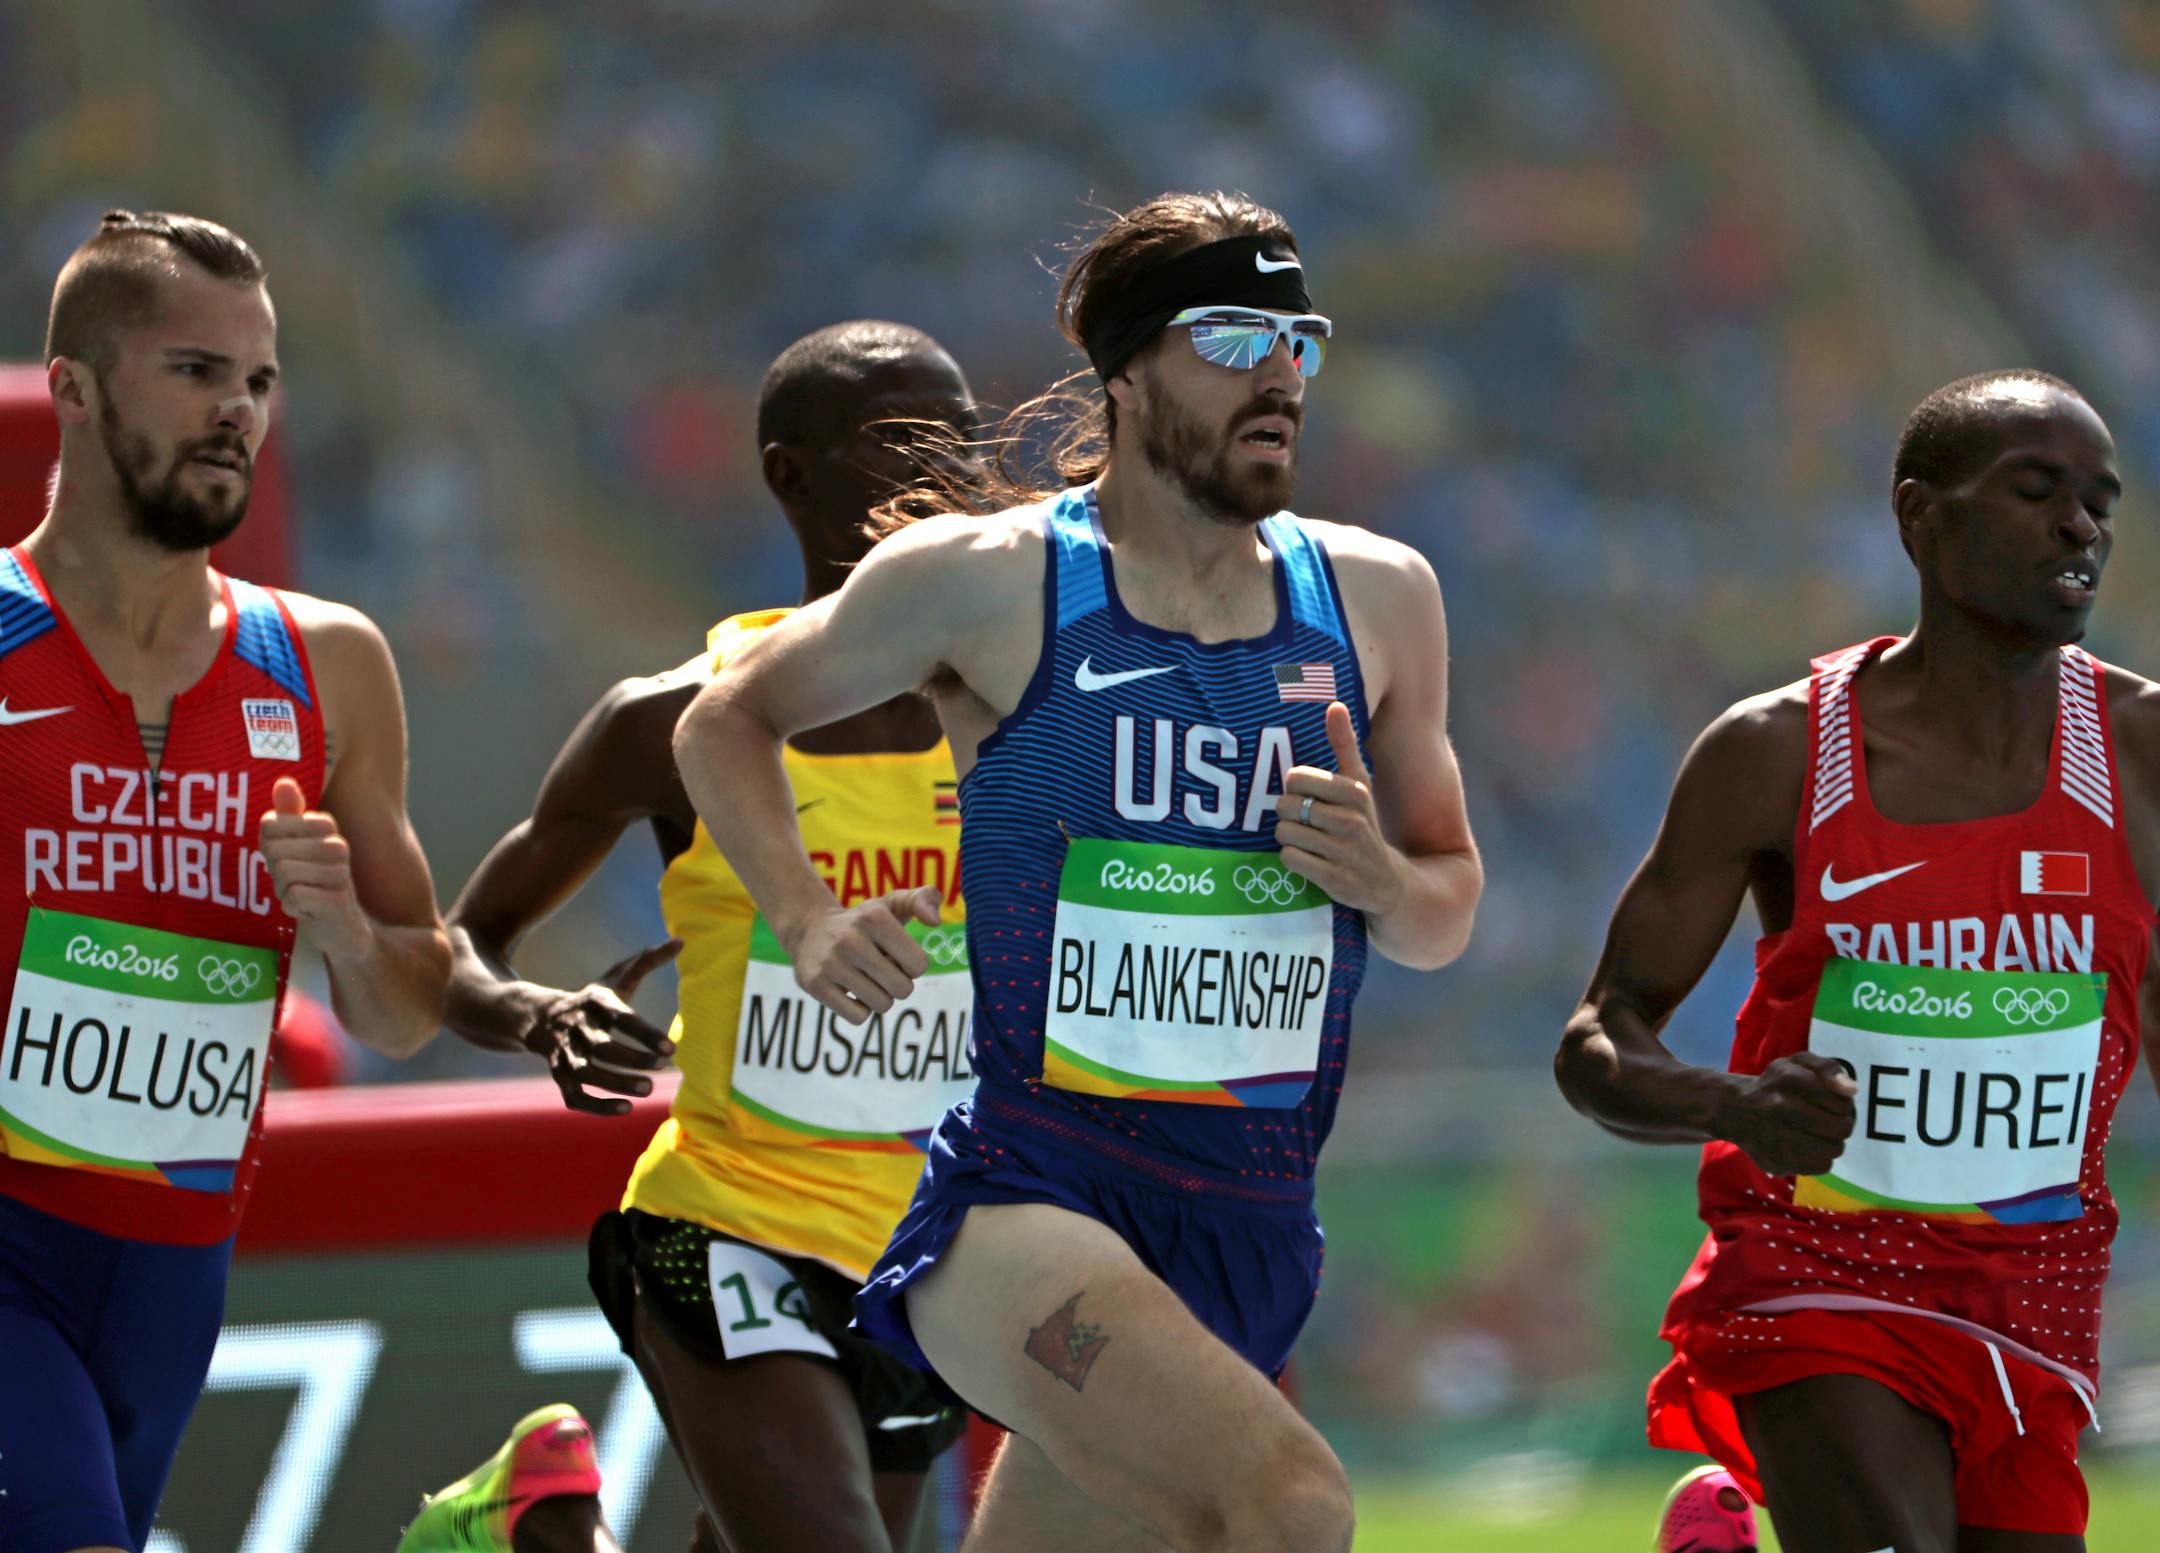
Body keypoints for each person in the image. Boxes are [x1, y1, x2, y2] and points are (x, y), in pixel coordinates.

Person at [673, 191, 1482, 1553]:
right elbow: (724, 716)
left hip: (1254, 1226)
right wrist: (806, 918)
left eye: (1301, 340)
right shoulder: (988, 580)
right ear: (1125, 374)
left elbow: (1449, 901)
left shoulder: (1380, 596)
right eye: (1233, 336)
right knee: (1291, 1507)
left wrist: (1386, 884)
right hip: (1031, 1202)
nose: (1280, 372)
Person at [399, 321, 980, 1553]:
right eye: (899, 438)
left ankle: (528, 1533)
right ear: (791, 474)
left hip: (922, 1263)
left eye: (963, 435)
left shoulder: (1023, 716)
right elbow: (464, 939)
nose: (946, 467)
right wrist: (540, 1013)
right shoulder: (669, 720)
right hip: (727, 1224)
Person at [1555, 370, 2153, 1553]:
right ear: (1921, 515)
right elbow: (1600, 1035)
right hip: (1820, 1265)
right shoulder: (1777, 749)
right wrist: (1731, 1103)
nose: (2080, 524)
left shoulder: (2143, 752)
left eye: (2100, 499)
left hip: (2032, 1300)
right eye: (2036, 491)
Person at [0, 210, 451, 1553]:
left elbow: (407, 1009)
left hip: (172, 1266)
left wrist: (345, 935)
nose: (238, 413)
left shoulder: (328, 663)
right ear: (73, 391)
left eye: (258, 381)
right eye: (194, 371)